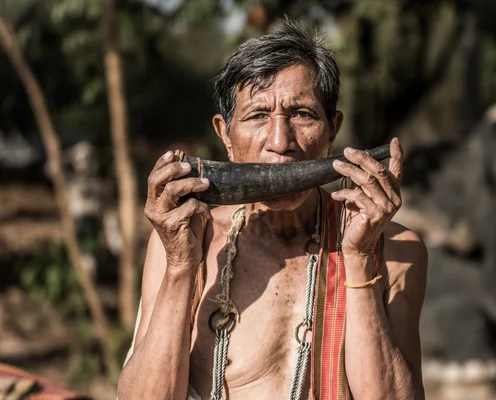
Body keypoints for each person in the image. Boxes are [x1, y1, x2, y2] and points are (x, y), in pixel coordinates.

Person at [117, 20, 427, 400]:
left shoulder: (394, 251)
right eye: (257, 115)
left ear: (333, 130)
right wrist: (182, 267)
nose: (280, 142)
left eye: (302, 114)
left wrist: (359, 258)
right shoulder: (186, 241)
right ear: (225, 136)